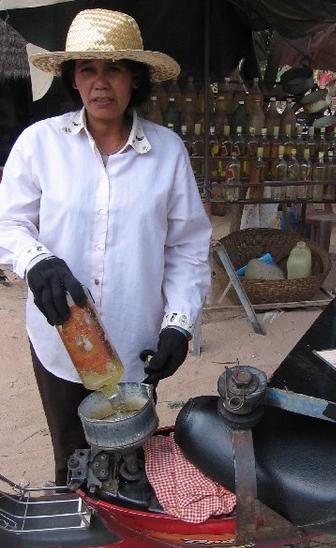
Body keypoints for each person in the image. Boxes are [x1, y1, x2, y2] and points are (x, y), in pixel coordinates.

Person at [0, 9, 212, 485]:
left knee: (130, 462)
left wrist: (178, 324)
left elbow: (189, 248)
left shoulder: (167, 152)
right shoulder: (40, 144)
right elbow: (8, 222)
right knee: (71, 461)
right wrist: (36, 260)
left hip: (137, 342)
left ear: (135, 79)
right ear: (72, 79)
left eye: (114, 68)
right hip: (59, 339)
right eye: (88, 69)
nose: (101, 83)